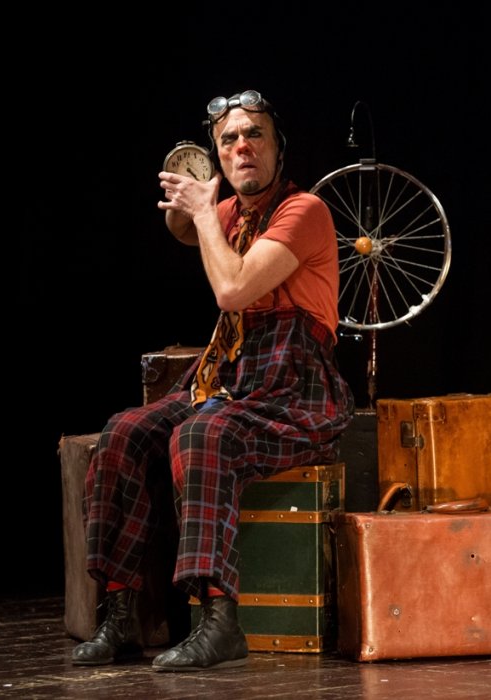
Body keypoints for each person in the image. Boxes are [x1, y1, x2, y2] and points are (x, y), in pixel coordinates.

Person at [72, 89, 354, 672]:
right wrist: (192, 195)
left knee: (203, 433)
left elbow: (232, 290)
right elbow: (182, 230)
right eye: (229, 140)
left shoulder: (304, 211)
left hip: (293, 388)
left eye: (255, 135)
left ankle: (220, 620)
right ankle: (122, 615)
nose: (243, 146)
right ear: (219, 156)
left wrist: (203, 211)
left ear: (278, 148)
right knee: (123, 433)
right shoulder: (232, 214)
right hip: (228, 378)